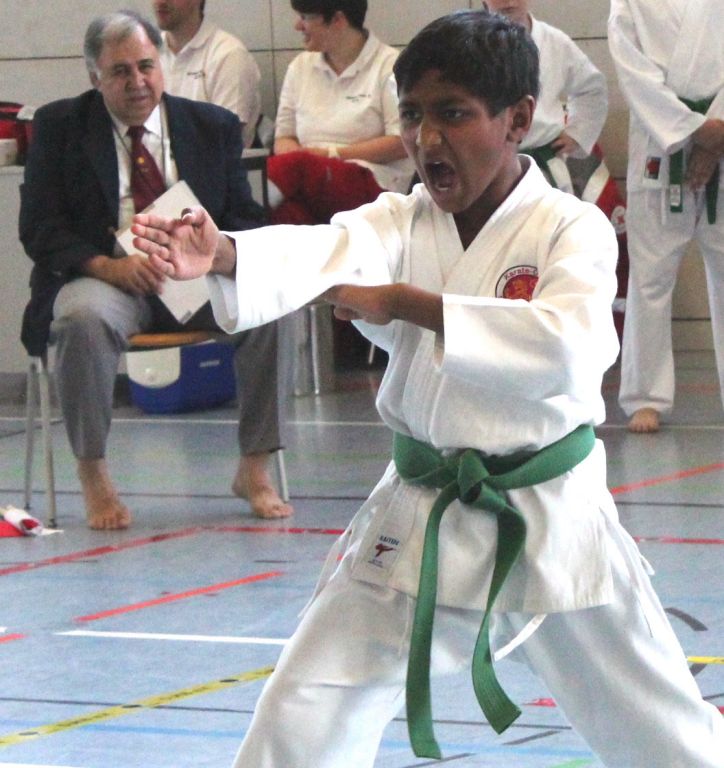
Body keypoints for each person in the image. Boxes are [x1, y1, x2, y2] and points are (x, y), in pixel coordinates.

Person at [132, 10, 723, 766]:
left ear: (517, 121)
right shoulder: (399, 221)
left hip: (551, 519)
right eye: (411, 114)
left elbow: (571, 346)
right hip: (421, 516)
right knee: (302, 711)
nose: (427, 139)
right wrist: (224, 256)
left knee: (667, 736)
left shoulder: (571, 228)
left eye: (453, 114)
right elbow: (325, 250)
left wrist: (409, 305)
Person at [19, 10, 292, 530]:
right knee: (82, 320)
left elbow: (246, 220)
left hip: (195, 276)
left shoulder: (211, 126)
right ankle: (94, 474)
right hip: (105, 278)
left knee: (273, 308)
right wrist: (107, 266)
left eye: (146, 66)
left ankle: (254, 469)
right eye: (120, 71)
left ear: (162, 64)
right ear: (94, 76)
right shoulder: (59, 127)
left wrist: (212, 249)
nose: (137, 81)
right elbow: (39, 228)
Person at [609, 0, 724, 434]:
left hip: (723, 135)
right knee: (651, 276)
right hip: (659, 143)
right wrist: (693, 130)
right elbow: (633, 73)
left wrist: (717, 132)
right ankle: (645, 396)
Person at [266, 0, 414, 225]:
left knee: (296, 168)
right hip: (310, 182)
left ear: (337, 19)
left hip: (374, 183)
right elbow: (284, 138)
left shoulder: (390, 65)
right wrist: (303, 159)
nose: (298, 26)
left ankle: (239, 208)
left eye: (305, 17)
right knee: (285, 214)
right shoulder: (300, 67)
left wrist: (329, 155)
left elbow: (401, 142)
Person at [153, 0, 262, 148]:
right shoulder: (147, 53)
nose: (160, 1)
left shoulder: (229, 55)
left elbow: (223, 141)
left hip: (210, 162)